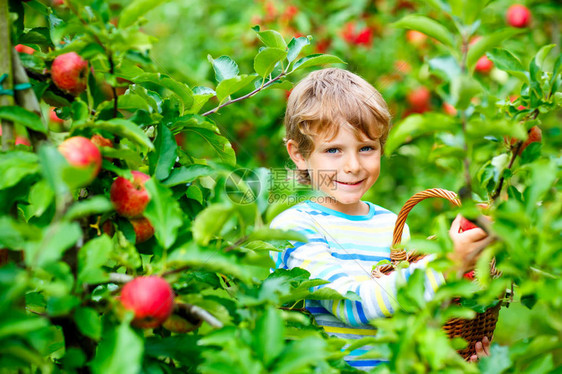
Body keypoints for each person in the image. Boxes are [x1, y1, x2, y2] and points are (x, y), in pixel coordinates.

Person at [269, 68, 492, 371]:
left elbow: (410, 313)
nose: (353, 165)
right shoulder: (294, 229)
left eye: (366, 148)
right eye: (333, 149)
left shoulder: (391, 226)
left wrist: (455, 351)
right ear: (299, 154)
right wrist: (448, 262)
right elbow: (354, 305)